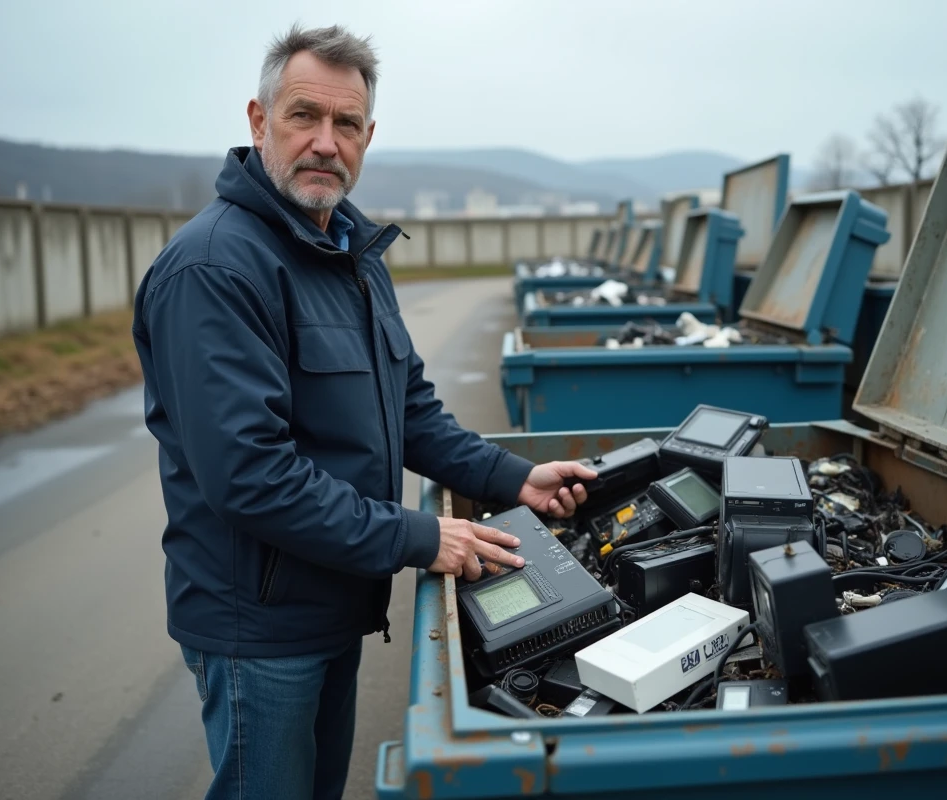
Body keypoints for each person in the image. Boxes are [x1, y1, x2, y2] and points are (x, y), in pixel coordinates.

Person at [131, 23, 598, 800]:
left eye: (346, 124)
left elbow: (408, 407)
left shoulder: (347, 252)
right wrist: (419, 537)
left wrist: (517, 477)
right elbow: (249, 476)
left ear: (368, 136)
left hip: (332, 599)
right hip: (260, 626)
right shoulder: (215, 269)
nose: (325, 142)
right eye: (303, 116)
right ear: (258, 122)